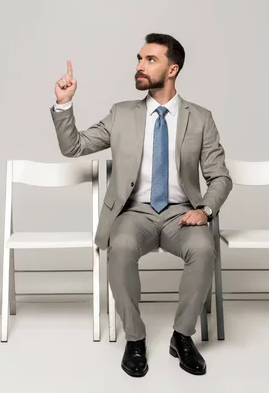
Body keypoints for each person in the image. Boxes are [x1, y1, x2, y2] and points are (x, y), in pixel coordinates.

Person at [50, 33, 232, 377]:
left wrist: (205, 210)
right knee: (119, 246)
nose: (139, 66)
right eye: (139, 58)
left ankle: (182, 336)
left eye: (150, 60)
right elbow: (74, 147)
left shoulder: (201, 118)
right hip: (135, 214)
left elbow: (220, 177)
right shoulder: (121, 114)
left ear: (172, 69)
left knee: (205, 249)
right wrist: (64, 105)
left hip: (182, 214)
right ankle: (135, 339)